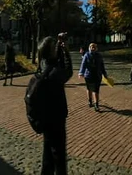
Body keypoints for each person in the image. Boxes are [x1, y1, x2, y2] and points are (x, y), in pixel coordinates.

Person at [38, 34, 73, 175]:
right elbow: (68, 72)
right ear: (51, 50)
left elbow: (55, 61)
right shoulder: (53, 72)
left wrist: (59, 48)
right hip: (56, 116)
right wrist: (67, 52)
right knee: (58, 155)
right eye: (55, 47)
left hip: (45, 114)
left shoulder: (43, 63)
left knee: (48, 152)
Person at [78, 43, 107, 112]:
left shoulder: (99, 56)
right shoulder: (86, 55)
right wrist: (81, 73)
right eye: (91, 47)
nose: (93, 48)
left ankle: (96, 105)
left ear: (96, 48)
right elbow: (83, 64)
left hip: (97, 75)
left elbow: (102, 65)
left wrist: (104, 74)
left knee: (96, 90)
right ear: (89, 48)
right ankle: (90, 101)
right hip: (88, 75)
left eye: (94, 47)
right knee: (89, 89)